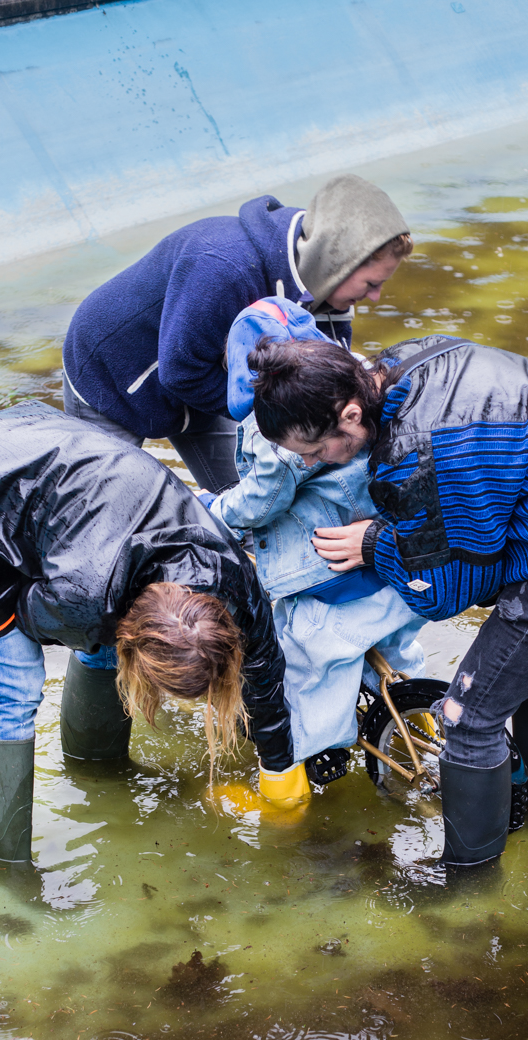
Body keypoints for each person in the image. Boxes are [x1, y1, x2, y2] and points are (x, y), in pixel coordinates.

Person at [245, 334, 528, 866]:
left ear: (350, 415)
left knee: (469, 717)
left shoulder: (417, 452)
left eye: (314, 451)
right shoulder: (404, 363)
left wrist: (376, 544)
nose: (312, 463)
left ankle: (470, 890)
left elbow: (447, 594)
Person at [0, 400, 300, 867]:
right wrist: (60, 590)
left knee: (101, 645)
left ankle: (95, 770)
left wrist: (280, 769)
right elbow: (31, 615)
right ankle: (0, 865)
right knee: (9, 688)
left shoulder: (233, 576)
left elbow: (264, 669)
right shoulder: (82, 600)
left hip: (42, 447)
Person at [202, 299, 425, 802]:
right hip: (389, 568)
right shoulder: (347, 392)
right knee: (397, 658)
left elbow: (263, 498)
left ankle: (288, 797)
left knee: (306, 674)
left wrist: (212, 511)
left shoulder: (285, 426)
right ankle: (420, 724)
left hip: (328, 581)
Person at [61, 174, 412, 492]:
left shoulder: (326, 291)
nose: (376, 296)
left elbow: (337, 380)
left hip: (210, 377)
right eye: (371, 283)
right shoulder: (224, 268)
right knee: (106, 504)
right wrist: (283, 418)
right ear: (337, 264)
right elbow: (181, 372)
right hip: (113, 375)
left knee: (244, 492)